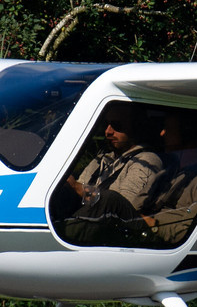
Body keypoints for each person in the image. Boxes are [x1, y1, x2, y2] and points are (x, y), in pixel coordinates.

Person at [58, 104, 165, 245]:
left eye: (116, 125)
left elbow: (119, 206)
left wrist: (78, 188)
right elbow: (76, 190)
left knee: (109, 199)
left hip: (115, 235)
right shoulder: (103, 159)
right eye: (106, 124)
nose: (108, 131)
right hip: (85, 222)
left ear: (135, 127)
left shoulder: (148, 160)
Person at [140, 113, 197, 247]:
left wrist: (152, 225)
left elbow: (190, 232)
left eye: (168, 128)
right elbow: (135, 206)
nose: (162, 133)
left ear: (187, 133)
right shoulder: (165, 174)